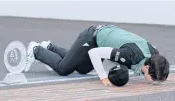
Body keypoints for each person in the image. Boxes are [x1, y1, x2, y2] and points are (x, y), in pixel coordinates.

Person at [25, 25, 170, 86]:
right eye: (155, 78)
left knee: (81, 69)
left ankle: (49, 47)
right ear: (146, 66)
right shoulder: (129, 55)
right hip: (91, 38)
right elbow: (95, 53)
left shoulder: (154, 55)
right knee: (63, 69)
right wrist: (103, 77)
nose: (155, 82)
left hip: (104, 40)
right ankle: (36, 50)